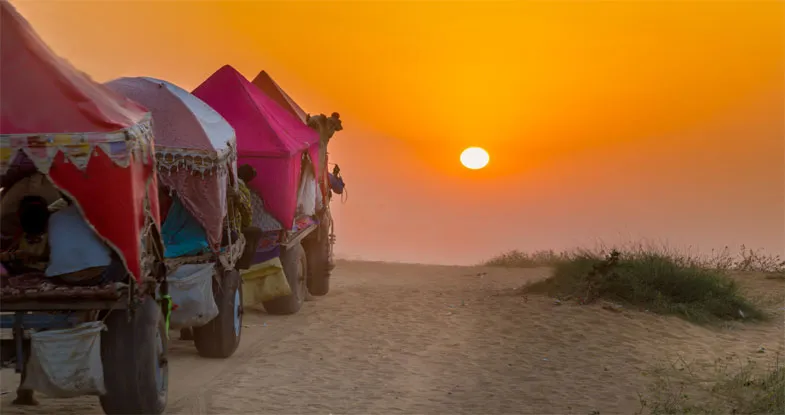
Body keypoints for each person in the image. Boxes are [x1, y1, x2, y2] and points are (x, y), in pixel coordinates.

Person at [45, 196, 124, 285]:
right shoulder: (98, 213)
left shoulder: (54, 217)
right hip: (98, 276)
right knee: (124, 264)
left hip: (64, 278)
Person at [0, 195, 51, 273]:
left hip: (40, 270)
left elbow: (49, 257)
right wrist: (10, 255)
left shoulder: (48, 239)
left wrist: (31, 256)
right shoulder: (22, 237)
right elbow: (10, 251)